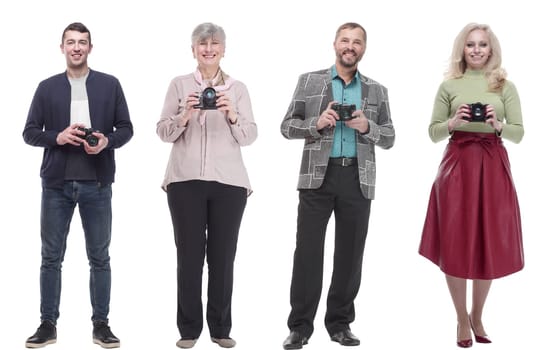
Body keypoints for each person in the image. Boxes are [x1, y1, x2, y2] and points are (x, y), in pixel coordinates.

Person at [280, 22, 395, 349]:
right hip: (318, 177)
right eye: (345, 40)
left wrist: (366, 125)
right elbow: (286, 126)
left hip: (357, 178)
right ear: (335, 44)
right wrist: (316, 123)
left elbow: (389, 136)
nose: (350, 46)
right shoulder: (310, 81)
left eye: (357, 42)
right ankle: (300, 327)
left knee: (350, 255)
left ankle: (340, 324)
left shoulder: (376, 90)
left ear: (363, 48)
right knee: (308, 253)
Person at [22, 22, 133, 349]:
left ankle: (101, 325)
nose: (76, 47)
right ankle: (47, 323)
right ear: (62, 48)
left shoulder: (110, 85)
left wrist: (105, 141)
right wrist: (57, 136)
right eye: (70, 42)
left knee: (99, 257)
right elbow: (29, 132)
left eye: (82, 42)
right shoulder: (46, 87)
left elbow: (126, 128)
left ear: (90, 47)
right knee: (50, 257)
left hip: (97, 183)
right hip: (56, 184)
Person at [419, 23, 524, 348]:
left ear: (491, 49)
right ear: (461, 50)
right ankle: (461, 318)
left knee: (488, 238)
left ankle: (477, 314)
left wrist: (498, 125)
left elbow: (519, 133)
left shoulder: (505, 86)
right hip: (457, 166)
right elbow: (433, 132)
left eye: (482, 45)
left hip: (493, 164)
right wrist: (453, 122)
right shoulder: (449, 85)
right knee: (456, 240)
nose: (476, 50)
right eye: (470, 45)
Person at [156, 22, 257, 349]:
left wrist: (230, 114)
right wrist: (184, 114)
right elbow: (162, 132)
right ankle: (188, 330)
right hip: (184, 181)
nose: (208, 49)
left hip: (229, 183)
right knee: (189, 256)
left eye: (214, 44)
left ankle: (221, 328)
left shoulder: (238, 89)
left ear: (224, 50)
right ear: (193, 50)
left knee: (223, 256)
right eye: (202, 44)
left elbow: (250, 136)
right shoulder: (179, 85)